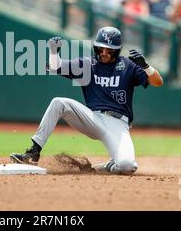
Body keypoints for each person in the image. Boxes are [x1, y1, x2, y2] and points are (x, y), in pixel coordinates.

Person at [10, 27, 164, 174]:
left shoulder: (128, 66)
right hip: (93, 118)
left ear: (117, 51)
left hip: (118, 124)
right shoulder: (88, 64)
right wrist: (53, 52)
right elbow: (55, 67)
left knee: (126, 166)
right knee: (59, 102)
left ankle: (110, 165)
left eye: (109, 50)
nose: (103, 52)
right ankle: (34, 152)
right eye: (100, 48)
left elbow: (158, 82)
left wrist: (146, 67)